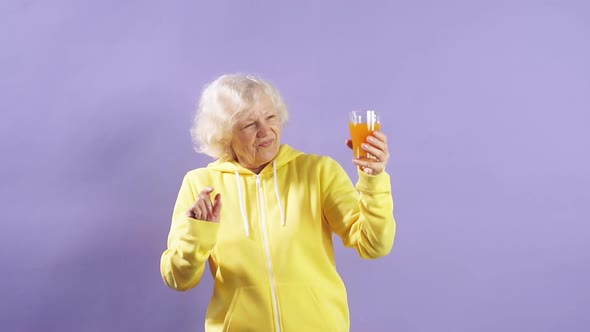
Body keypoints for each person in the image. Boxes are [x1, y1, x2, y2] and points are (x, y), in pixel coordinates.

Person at [160, 73, 396, 332]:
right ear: (224, 134)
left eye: (270, 117)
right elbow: (178, 279)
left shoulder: (318, 171)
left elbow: (373, 245)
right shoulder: (200, 184)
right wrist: (197, 234)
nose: (265, 131)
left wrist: (373, 180)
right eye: (249, 124)